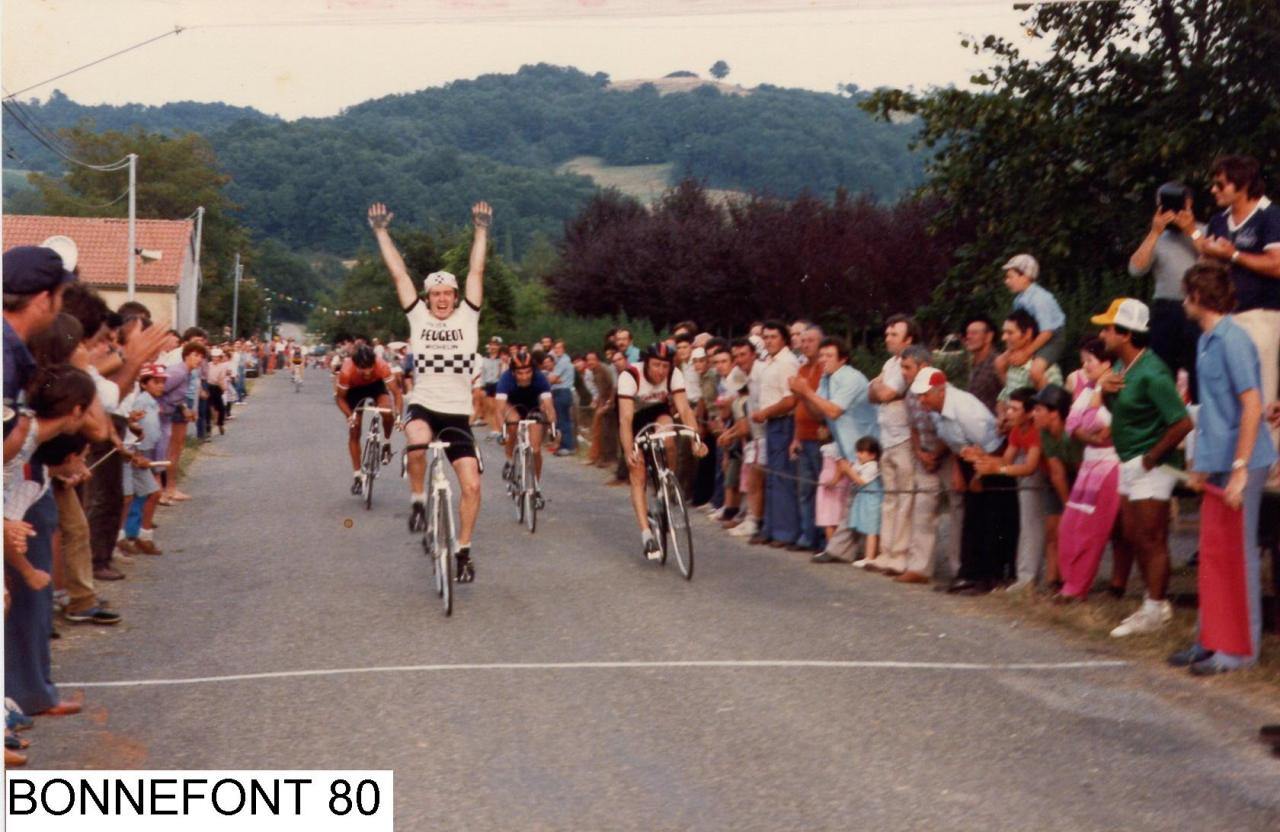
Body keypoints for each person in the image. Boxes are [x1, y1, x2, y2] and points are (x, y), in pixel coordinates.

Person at [369, 200, 490, 583]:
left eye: (446, 294)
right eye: (435, 294)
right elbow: (399, 274)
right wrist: (381, 232)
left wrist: (481, 230)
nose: (441, 299)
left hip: (457, 414)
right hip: (423, 404)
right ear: (427, 298)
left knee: (472, 484)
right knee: (417, 442)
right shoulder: (418, 316)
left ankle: (464, 551)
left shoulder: (468, 317)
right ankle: (419, 501)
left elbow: (476, 269)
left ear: (454, 297)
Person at [1169, 262, 1276, 674]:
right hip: (1219, 463)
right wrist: (1201, 465)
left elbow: (1251, 407)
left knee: (1239, 555)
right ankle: (1209, 640)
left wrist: (1238, 469)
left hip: (1244, 463)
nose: (1183, 302)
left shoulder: (1233, 340)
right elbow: (1214, 413)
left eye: (1186, 295)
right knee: (1214, 555)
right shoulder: (1205, 340)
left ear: (1199, 297)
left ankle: (1241, 651)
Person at [1092, 298, 1192, 638]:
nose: (1102, 333)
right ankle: (1155, 604)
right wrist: (1104, 392)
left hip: (1150, 464)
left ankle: (1155, 608)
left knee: (1150, 538)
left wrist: (1152, 458)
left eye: (1108, 328)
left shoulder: (1153, 372)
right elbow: (1121, 411)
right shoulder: (1124, 370)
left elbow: (1180, 423)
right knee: (1135, 535)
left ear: (1126, 333)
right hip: (1131, 461)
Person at [1185, 155, 1280, 456]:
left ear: (1243, 184)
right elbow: (1208, 256)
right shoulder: (1219, 220)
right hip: (1224, 319)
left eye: (1220, 184)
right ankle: (1229, 457)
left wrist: (1234, 255)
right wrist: (1191, 230)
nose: (1214, 190)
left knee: (1260, 390)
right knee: (1225, 391)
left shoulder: (1270, 215)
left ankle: (1264, 465)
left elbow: (1277, 265)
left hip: (1260, 315)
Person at [911, 369, 1014, 594]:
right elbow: (956, 443)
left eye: (925, 395)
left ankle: (988, 580)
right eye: (919, 396)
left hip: (992, 462)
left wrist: (979, 475)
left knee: (990, 522)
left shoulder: (964, 409)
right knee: (971, 520)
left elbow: (994, 445)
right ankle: (968, 575)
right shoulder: (936, 409)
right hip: (968, 460)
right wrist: (960, 469)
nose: (921, 400)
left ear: (940, 391)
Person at [617, 342, 707, 559]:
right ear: (646, 363)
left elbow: (684, 409)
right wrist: (630, 450)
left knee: (668, 438)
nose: (660, 371)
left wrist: (696, 438)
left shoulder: (673, 374)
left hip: (658, 412)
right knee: (637, 471)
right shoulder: (630, 376)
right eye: (656, 365)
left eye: (665, 366)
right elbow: (625, 418)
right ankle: (647, 535)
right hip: (633, 417)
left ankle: (667, 483)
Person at [793, 337, 879, 564]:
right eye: (821, 356)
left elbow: (833, 411)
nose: (823, 360)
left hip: (869, 447)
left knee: (869, 500)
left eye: (829, 356)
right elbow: (818, 412)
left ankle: (854, 551)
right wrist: (803, 394)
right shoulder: (827, 377)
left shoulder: (850, 378)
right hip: (849, 447)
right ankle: (843, 550)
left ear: (843, 358)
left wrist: (806, 392)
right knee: (855, 500)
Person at [1057, 338, 1124, 602]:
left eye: (1090, 361)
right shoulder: (1089, 387)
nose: (1084, 367)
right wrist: (1085, 429)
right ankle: (1069, 583)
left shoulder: (1113, 387)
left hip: (1108, 465)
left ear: (1107, 363)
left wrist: (1096, 395)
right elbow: (1071, 425)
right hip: (1088, 463)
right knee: (1070, 525)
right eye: (1083, 361)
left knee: (1091, 531)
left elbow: (1096, 425)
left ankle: (1077, 588)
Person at [1130, 182, 1202, 398]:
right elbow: (1136, 269)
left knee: (1199, 371)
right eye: (1163, 205)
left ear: (1188, 203)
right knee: (1162, 372)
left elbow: (1217, 262)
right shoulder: (1157, 238)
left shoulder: (1204, 231)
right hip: (1166, 309)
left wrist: (1191, 230)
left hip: (1198, 309)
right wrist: (1154, 232)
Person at [866, 314, 916, 573]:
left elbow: (883, 392)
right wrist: (880, 389)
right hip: (887, 438)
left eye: (894, 334)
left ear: (908, 339)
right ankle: (885, 552)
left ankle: (900, 556)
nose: (888, 338)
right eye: (887, 334)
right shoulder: (889, 364)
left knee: (904, 498)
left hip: (904, 438)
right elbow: (872, 394)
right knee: (890, 499)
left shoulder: (907, 366)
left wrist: (880, 389)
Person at [751, 321, 801, 549]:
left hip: (783, 423)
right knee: (772, 478)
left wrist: (765, 412)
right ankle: (771, 529)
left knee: (782, 477)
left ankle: (785, 532)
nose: (769, 341)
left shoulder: (787, 363)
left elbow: (790, 400)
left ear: (784, 340)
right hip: (771, 424)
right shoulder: (770, 362)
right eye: (766, 337)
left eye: (773, 337)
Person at [335, 344, 403, 494]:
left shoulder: (381, 366)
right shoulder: (347, 371)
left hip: (376, 386)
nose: (367, 372)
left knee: (386, 411)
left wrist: (398, 416)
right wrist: (349, 416)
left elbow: (397, 394)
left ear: (374, 363)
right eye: (362, 368)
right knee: (355, 429)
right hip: (354, 390)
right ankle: (358, 476)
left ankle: (386, 442)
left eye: (370, 367)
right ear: (355, 364)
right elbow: (340, 398)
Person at [495, 349, 557, 500]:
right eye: (520, 373)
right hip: (513, 406)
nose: (524, 376)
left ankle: (535, 486)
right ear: (513, 372)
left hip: (532, 407)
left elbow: (549, 407)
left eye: (528, 372)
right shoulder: (505, 379)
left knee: (535, 450)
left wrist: (553, 428)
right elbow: (498, 410)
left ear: (533, 370)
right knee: (513, 423)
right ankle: (509, 460)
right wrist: (501, 431)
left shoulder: (540, 378)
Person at [1000, 253, 1066, 390]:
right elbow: (1019, 327)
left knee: (1035, 372)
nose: (1006, 281)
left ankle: (1049, 405)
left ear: (1025, 277)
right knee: (1000, 362)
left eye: (1010, 277)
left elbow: (1047, 332)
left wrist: (1026, 352)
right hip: (1032, 335)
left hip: (1052, 338)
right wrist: (1013, 349)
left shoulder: (1040, 299)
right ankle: (1013, 396)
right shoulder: (1019, 300)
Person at [788, 325, 825, 552]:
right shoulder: (802, 369)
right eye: (803, 341)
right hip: (803, 436)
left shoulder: (824, 369)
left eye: (811, 340)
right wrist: (795, 438)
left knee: (821, 490)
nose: (805, 344)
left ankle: (821, 537)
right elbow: (797, 405)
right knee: (804, 490)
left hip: (820, 437)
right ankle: (806, 534)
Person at [997, 310, 1064, 402]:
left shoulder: (1047, 371)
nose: (1003, 337)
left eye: (1010, 333)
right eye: (1004, 332)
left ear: (1028, 334)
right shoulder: (1012, 364)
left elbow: (1055, 409)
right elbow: (1004, 398)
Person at [839, 436, 883, 567]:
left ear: (873, 454)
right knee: (865, 527)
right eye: (858, 451)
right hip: (863, 499)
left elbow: (861, 481)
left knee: (871, 529)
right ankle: (868, 554)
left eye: (862, 452)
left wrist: (848, 470)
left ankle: (870, 557)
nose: (859, 455)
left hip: (872, 500)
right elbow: (854, 473)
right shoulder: (862, 464)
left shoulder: (873, 466)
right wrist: (848, 469)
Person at [963, 315, 1001, 414]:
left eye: (974, 333)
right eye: (968, 333)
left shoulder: (999, 363)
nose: (968, 337)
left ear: (989, 337)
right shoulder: (971, 363)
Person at [547, 339, 576, 456]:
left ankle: (568, 446)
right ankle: (564, 445)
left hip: (563, 392)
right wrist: (554, 379)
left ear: (563, 349)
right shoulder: (559, 361)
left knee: (564, 420)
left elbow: (551, 378)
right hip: (559, 391)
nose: (557, 350)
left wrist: (554, 379)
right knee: (561, 420)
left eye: (559, 348)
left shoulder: (564, 361)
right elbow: (553, 378)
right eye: (555, 348)